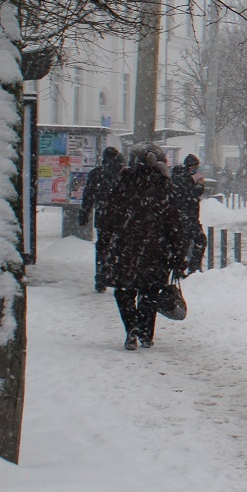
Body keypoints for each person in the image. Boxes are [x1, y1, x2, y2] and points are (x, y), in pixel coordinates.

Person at [99, 145, 188, 350]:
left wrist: (107, 242)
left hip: (126, 250)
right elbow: (174, 224)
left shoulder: (123, 183)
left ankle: (131, 327)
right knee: (150, 292)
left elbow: (108, 217)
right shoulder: (165, 187)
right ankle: (146, 333)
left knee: (124, 292)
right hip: (155, 251)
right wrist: (178, 252)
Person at [82, 146, 124, 292]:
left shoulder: (97, 173)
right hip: (120, 217)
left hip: (103, 216)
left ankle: (101, 276)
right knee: (118, 247)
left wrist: (85, 213)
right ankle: (115, 275)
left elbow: (88, 195)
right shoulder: (123, 173)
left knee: (102, 246)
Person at [170, 154, 209, 275]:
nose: (196, 170)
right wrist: (200, 186)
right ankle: (192, 270)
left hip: (185, 217)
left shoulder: (180, 177)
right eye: (195, 167)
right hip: (187, 217)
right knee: (199, 241)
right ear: (190, 167)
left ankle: (181, 270)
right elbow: (190, 195)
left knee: (184, 244)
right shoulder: (183, 178)